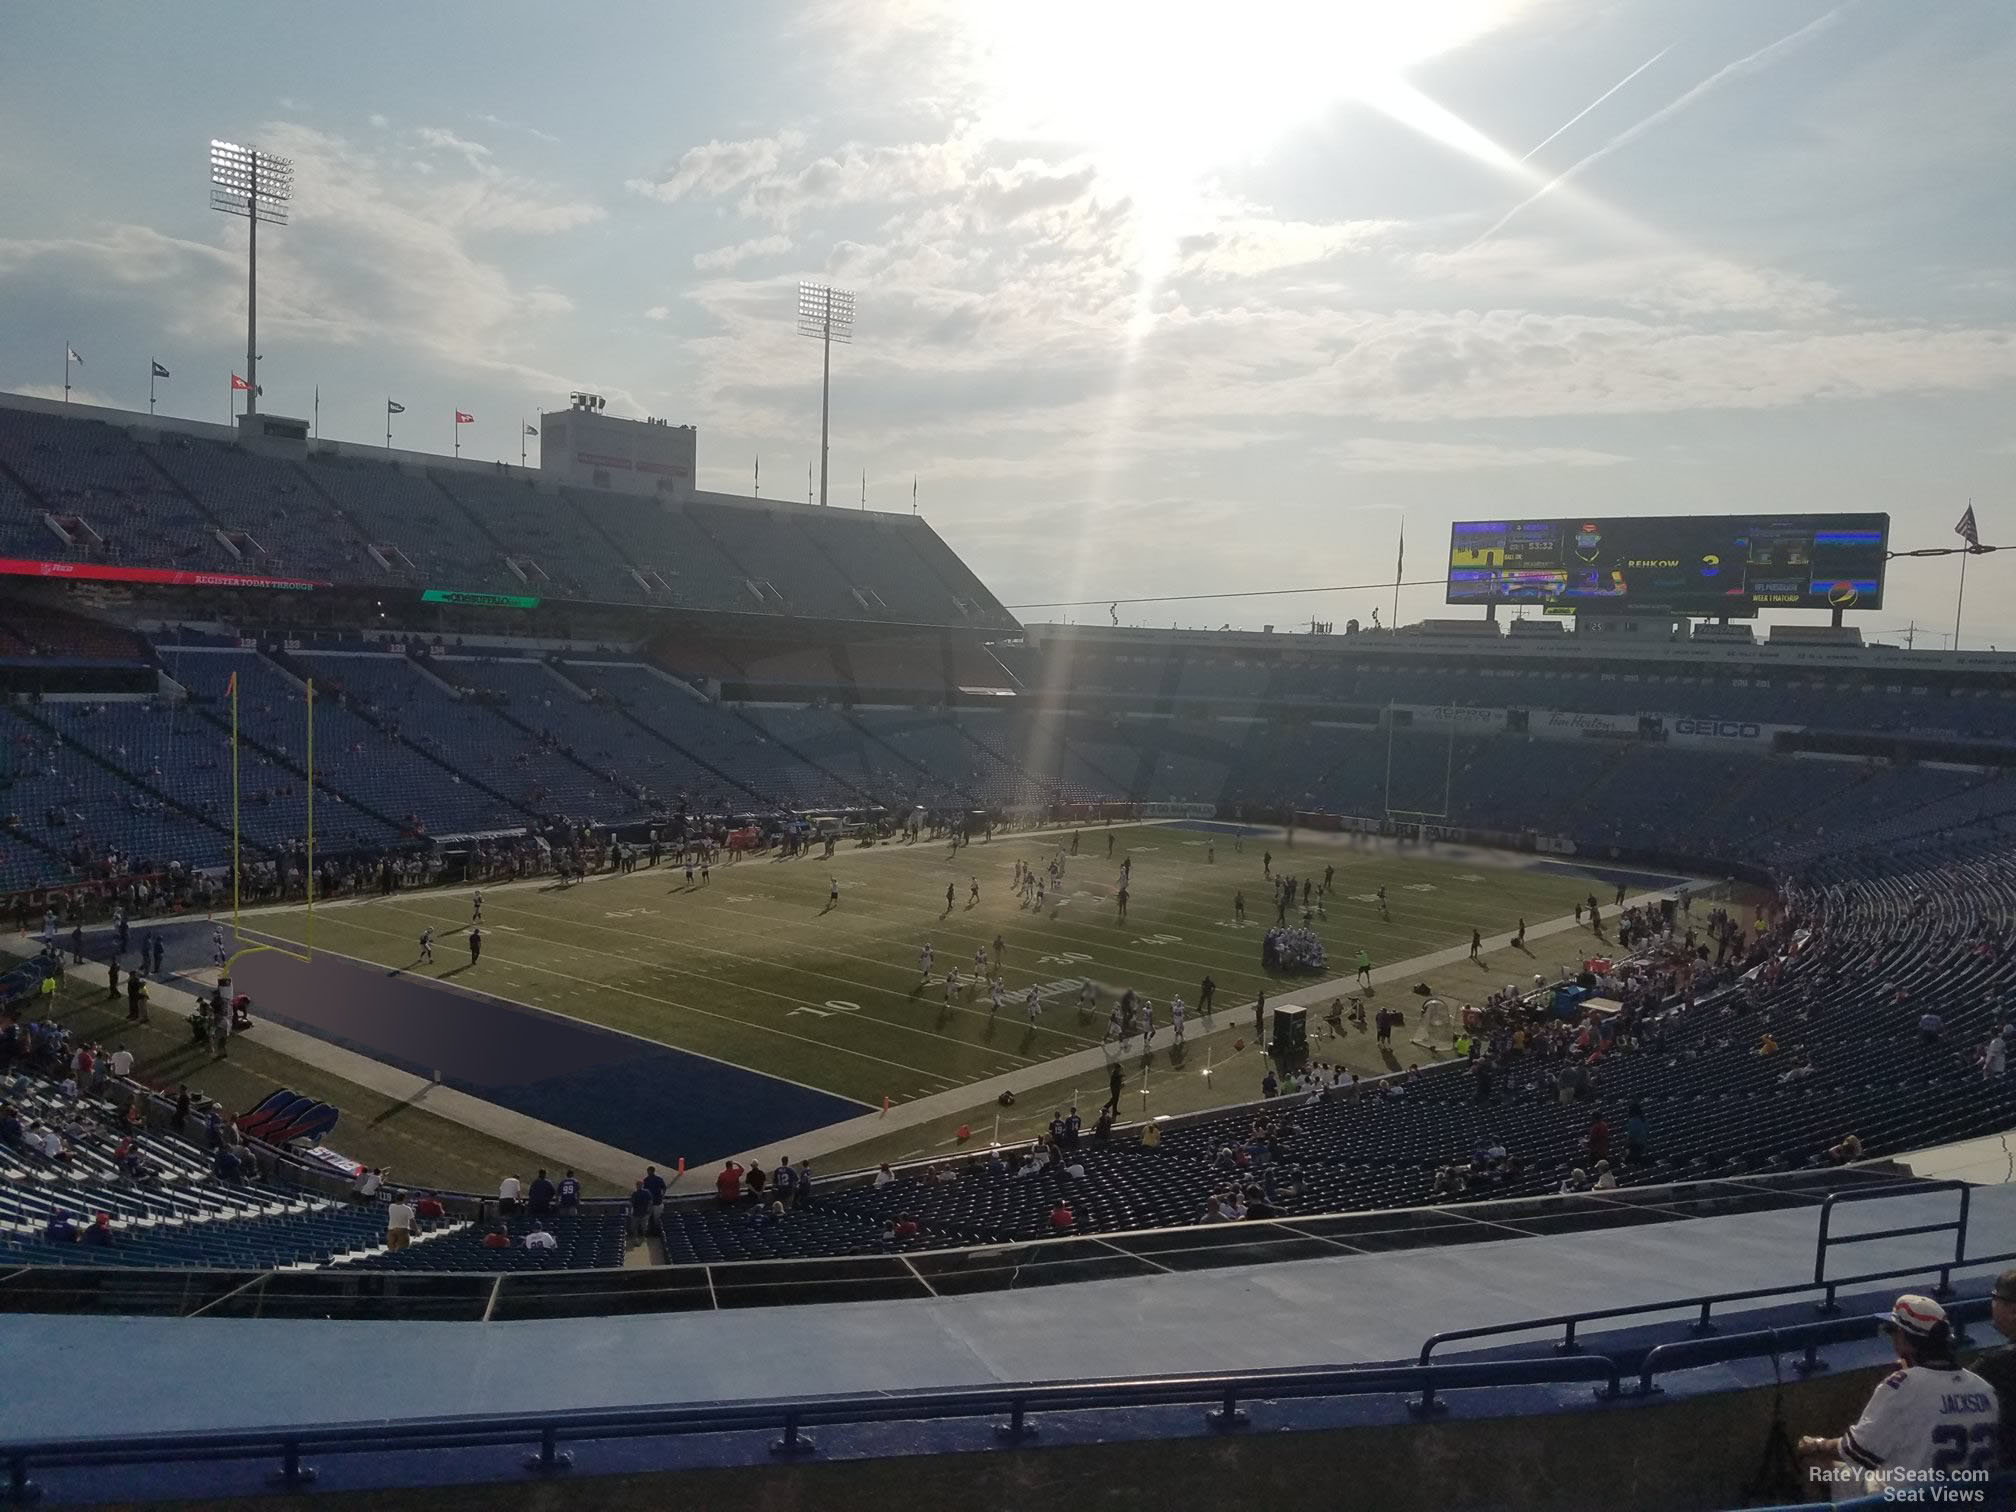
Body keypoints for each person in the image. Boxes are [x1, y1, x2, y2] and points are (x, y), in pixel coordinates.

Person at [1798, 1295, 1999, 1496]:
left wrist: (1817, 1444)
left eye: (1892, 1331)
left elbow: (1856, 1452)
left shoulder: (1902, 1386)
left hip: (1904, 1502)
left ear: (1903, 1337)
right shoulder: (1984, 1389)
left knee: (1815, 1465)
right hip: (1969, 1499)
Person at [1968, 1267, 2016, 1465]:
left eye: (1996, 1300)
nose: (1992, 1306)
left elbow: (1949, 1393)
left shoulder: (1994, 1364)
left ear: (2014, 1311)